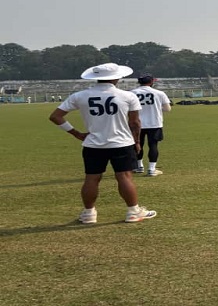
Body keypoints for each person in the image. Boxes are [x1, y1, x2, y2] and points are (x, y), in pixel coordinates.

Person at [48, 63, 157, 224]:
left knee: (92, 178)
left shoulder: (80, 96)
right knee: (124, 177)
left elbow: (55, 116)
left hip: (93, 144)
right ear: (116, 77)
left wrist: (76, 133)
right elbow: (135, 123)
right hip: (121, 142)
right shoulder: (127, 96)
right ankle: (133, 212)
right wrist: (137, 141)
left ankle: (89, 214)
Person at [130, 73, 172, 176]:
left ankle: (139, 167)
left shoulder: (131, 93)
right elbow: (167, 109)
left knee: (137, 144)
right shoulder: (159, 93)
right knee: (153, 145)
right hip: (154, 123)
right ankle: (151, 169)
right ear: (151, 82)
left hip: (137, 123)